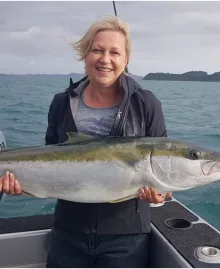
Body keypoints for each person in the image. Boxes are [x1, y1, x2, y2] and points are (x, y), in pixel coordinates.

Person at [0, 16, 172, 268]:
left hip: (126, 237)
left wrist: (162, 194)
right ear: (85, 54)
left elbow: (162, 166)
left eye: (115, 52)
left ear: (126, 60)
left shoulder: (146, 104)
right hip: (67, 233)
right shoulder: (61, 102)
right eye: (97, 50)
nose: (105, 59)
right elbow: (48, 159)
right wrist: (19, 185)